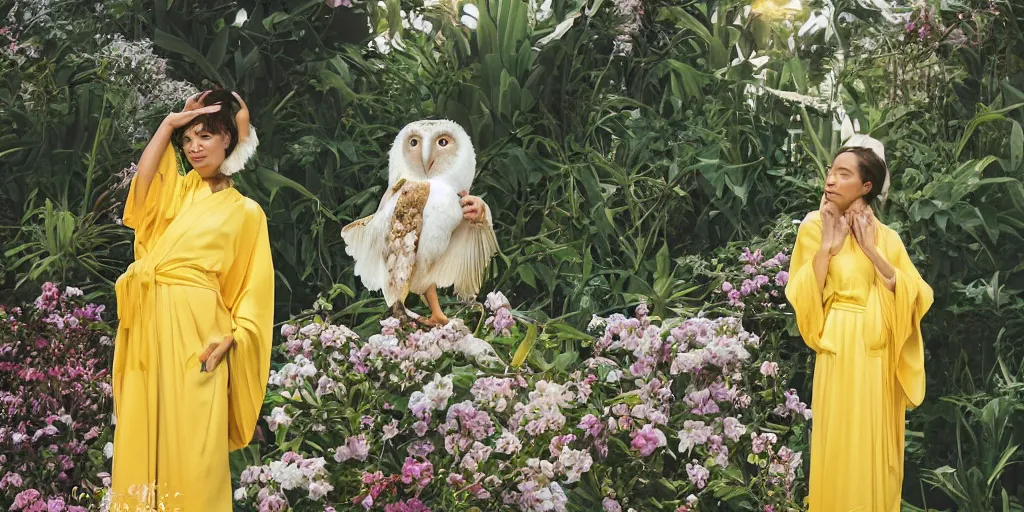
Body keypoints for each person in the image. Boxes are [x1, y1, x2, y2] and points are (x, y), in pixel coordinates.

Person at [110, 89, 274, 511]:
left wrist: (235, 337)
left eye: (206, 136)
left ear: (229, 140)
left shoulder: (248, 213)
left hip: (202, 334)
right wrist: (168, 125)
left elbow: (254, 291)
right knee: (144, 436)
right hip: (150, 325)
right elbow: (141, 193)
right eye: (188, 139)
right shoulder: (178, 192)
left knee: (198, 448)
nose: (195, 147)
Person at [785, 136, 933, 511]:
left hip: (878, 354)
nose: (830, 180)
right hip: (838, 347)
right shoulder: (814, 228)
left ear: (866, 186)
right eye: (830, 172)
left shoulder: (887, 238)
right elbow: (801, 293)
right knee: (838, 444)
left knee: (871, 447)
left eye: (843, 173)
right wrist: (827, 248)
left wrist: (872, 251)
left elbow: (916, 295)